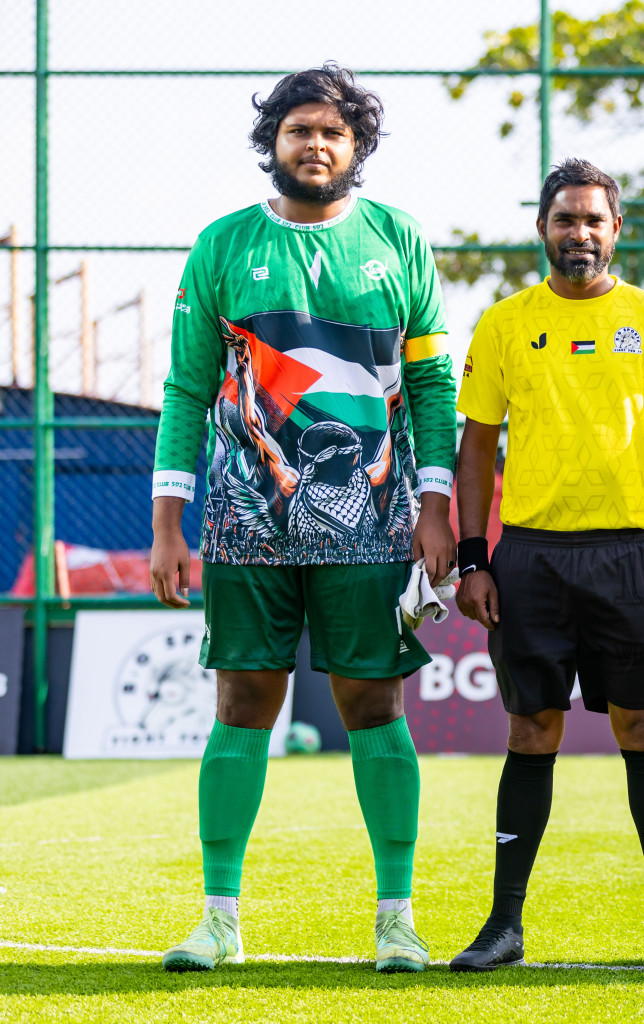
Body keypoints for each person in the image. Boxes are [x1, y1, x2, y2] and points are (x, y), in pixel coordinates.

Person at [150, 64, 456, 973]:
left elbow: (435, 384)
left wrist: (435, 508)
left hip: (373, 525)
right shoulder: (222, 246)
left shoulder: (399, 241)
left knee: (374, 704)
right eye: (298, 130)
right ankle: (219, 920)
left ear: (356, 146)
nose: (315, 144)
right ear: (271, 144)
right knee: (243, 704)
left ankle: (396, 920)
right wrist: (170, 523)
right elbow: (184, 389)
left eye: (333, 131)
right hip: (249, 523)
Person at [449, 159, 644, 972]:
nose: (580, 233)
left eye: (594, 220)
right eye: (566, 220)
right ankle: (504, 925)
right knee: (532, 728)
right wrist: (472, 557)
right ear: (543, 230)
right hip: (530, 557)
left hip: (633, 554)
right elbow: (477, 449)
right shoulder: (503, 324)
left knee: (642, 726)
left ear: (616, 229)